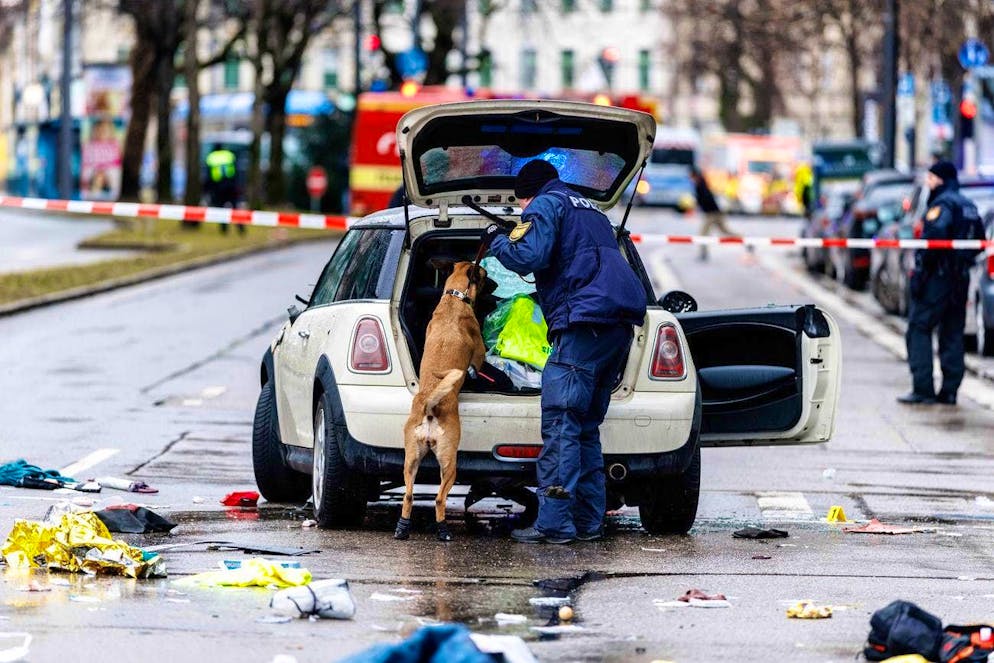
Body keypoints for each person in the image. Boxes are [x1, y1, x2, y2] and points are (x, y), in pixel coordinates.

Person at [480, 159, 648, 544]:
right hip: (616, 327)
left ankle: (554, 525)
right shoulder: (591, 210)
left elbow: (529, 257)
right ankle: (588, 523)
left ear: (527, 195)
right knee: (584, 427)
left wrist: (497, 239)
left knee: (560, 424)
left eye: (520, 204)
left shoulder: (543, 204)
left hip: (583, 324)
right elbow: (578, 261)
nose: (523, 210)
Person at [899, 161, 984, 406]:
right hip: (960, 279)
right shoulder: (969, 205)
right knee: (952, 332)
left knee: (919, 327)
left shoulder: (942, 204)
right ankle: (949, 391)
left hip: (938, 278)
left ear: (941, 179)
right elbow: (979, 240)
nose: (928, 182)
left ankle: (923, 389)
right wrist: (962, 261)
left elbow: (935, 238)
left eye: (931, 178)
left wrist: (922, 272)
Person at [690, 168, 738, 260]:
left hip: (711, 213)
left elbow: (705, 199)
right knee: (725, 231)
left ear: (694, 176)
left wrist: (698, 204)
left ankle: (703, 253)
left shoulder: (700, 185)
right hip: (715, 212)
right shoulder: (702, 183)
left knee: (703, 233)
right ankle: (745, 240)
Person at [204, 143, 243, 235]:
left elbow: (208, 174)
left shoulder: (211, 157)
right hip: (231, 185)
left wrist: (208, 189)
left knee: (221, 208)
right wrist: (238, 184)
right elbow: (237, 170)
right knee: (235, 207)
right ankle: (240, 226)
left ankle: (224, 229)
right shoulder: (229, 155)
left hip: (218, 187)